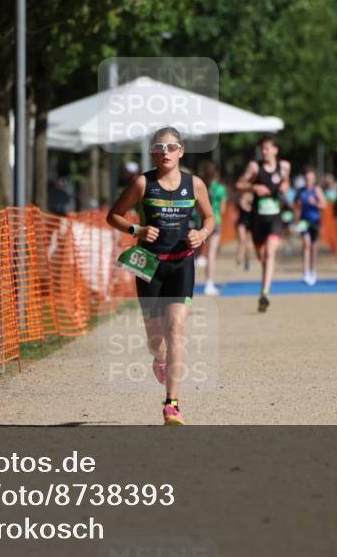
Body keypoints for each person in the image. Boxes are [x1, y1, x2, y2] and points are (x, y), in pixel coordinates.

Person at [107, 127, 215, 426]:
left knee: (176, 328)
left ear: (181, 152)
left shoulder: (195, 184)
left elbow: (210, 217)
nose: (165, 152)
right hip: (149, 265)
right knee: (156, 339)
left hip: (182, 263)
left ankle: (172, 405)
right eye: (160, 147)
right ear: (154, 153)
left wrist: (202, 234)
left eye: (171, 147)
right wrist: (136, 231)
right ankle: (159, 358)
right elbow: (113, 214)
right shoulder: (143, 183)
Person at [235, 134, 291, 312]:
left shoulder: (284, 167)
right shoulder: (254, 167)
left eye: (267, 148)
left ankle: (265, 293)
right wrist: (253, 187)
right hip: (257, 218)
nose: (265, 152)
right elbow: (239, 184)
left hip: (275, 217)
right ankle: (264, 288)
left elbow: (286, 182)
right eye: (262, 149)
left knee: (270, 253)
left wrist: (285, 186)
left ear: (275, 150)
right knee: (262, 256)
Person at [294, 167, 326, 285]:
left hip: (315, 221)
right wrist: (296, 220)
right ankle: (305, 272)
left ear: (314, 179)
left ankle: (313, 270)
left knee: (313, 246)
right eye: (307, 178)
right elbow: (296, 205)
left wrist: (315, 203)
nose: (309, 181)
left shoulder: (317, 190)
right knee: (306, 244)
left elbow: (324, 205)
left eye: (311, 178)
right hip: (304, 221)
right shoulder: (300, 191)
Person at [200, 161, 228, 296]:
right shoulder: (221, 189)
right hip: (215, 220)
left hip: (203, 219)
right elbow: (223, 209)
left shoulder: (201, 186)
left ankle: (200, 257)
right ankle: (209, 283)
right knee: (212, 252)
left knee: (200, 249)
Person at [235, 190, 253, 271]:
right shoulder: (241, 196)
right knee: (242, 240)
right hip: (242, 221)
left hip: (250, 221)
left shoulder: (252, 196)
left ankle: (247, 261)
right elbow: (242, 206)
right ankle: (239, 257)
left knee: (247, 243)